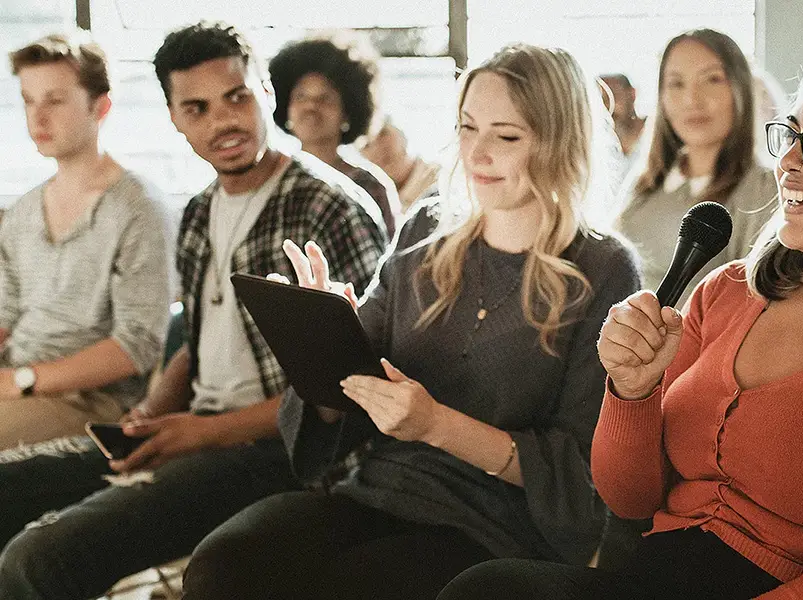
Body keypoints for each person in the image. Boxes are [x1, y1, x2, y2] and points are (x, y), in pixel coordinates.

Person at [438, 34, 803, 600]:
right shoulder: (729, 293)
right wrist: (632, 390)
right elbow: (629, 498)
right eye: (791, 135)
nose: (791, 164)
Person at [180, 43, 640, 600]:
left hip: (494, 526)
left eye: (506, 135)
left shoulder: (602, 268)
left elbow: (581, 472)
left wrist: (437, 425)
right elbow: (340, 403)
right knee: (224, 563)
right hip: (379, 491)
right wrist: (323, 333)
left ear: (560, 141)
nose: (478, 153)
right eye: (468, 128)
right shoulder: (428, 226)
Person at [0, 21, 387, 600]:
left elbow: (351, 388)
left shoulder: (327, 205)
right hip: (194, 431)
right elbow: (198, 340)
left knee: (38, 558)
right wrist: (152, 414)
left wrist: (201, 434)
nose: (222, 122)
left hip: (279, 454)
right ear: (175, 119)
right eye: (196, 108)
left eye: (237, 97)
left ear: (266, 93)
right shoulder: (201, 211)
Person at [0, 33, 171, 449]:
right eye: (28, 100)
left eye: (55, 101)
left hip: (93, 401)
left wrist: (23, 380)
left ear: (100, 106)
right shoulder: (23, 210)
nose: (37, 118)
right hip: (15, 383)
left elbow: (138, 345)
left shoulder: (137, 208)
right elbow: (4, 313)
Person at [615, 29, 775, 308]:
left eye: (712, 79)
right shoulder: (645, 183)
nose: (692, 100)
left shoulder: (762, 191)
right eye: (676, 83)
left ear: (740, 89)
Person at [269, 36, 400, 237]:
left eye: (325, 98)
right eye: (301, 96)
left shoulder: (371, 186)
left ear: (347, 112)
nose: (311, 106)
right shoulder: (269, 181)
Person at [361, 116, 440, 212]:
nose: (377, 148)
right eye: (367, 145)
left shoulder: (442, 178)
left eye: (383, 133)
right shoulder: (375, 205)